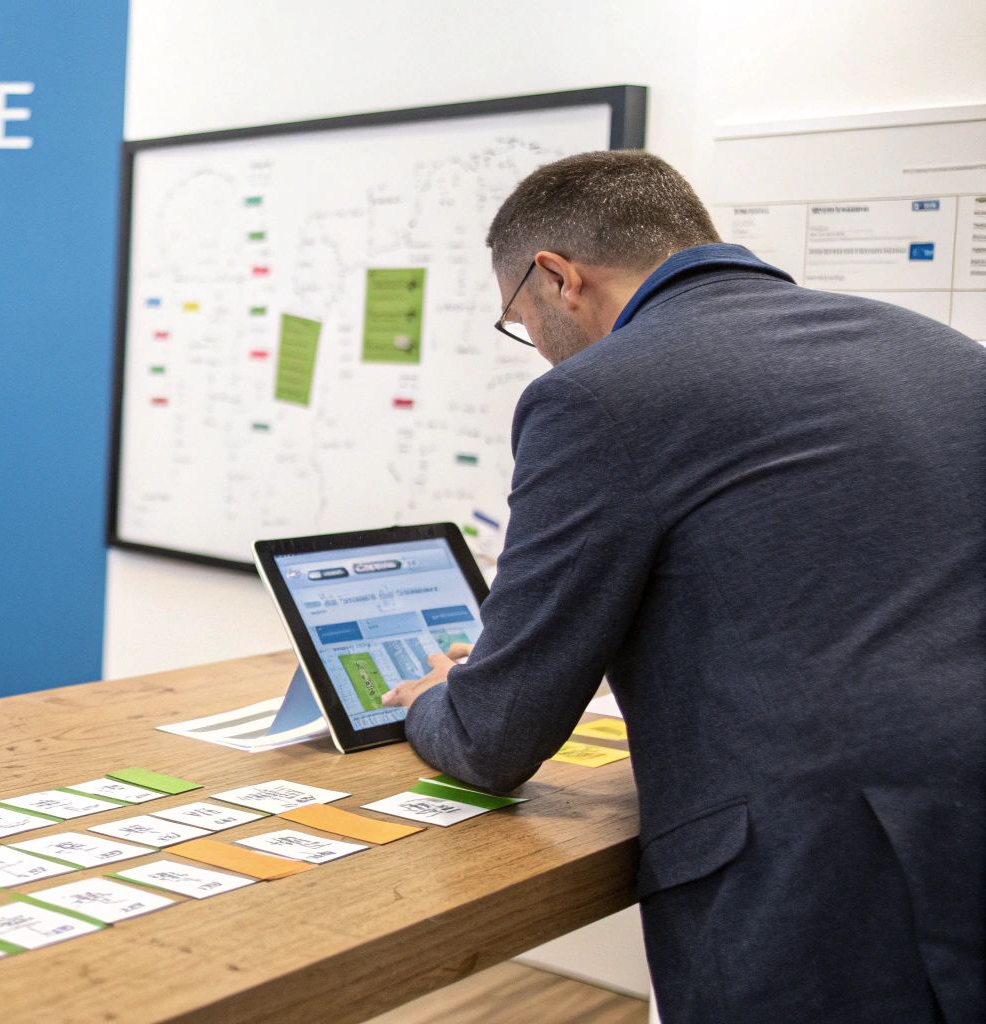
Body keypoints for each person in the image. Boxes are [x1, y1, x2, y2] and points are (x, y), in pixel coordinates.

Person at [381, 152, 984, 1023]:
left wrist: (437, 698)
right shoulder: (936, 349)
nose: (538, 349)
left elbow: (496, 734)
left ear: (558, 277)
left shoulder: (599, 396)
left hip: (826, 877)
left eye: (522, 323)